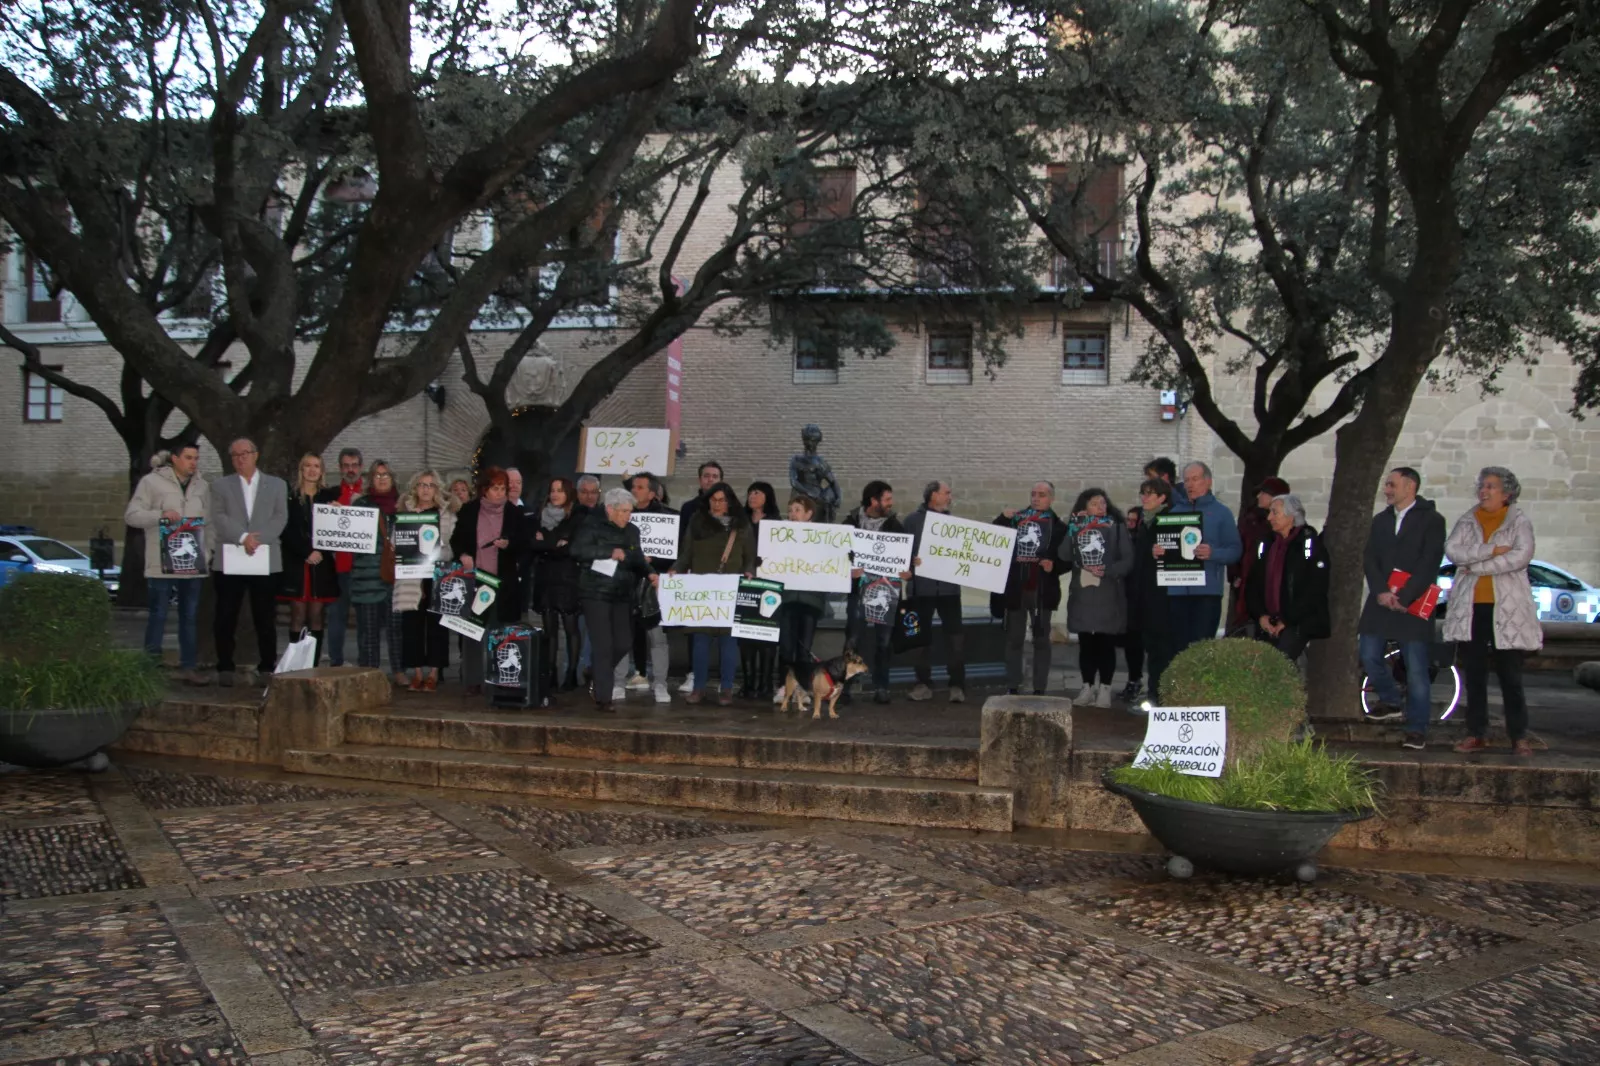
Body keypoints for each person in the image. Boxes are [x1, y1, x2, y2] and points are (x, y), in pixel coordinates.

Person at [1444, 467, 1541, 757]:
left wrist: (1477, 565)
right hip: (1472, 608)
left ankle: (1519, 736)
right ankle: (1476, 733)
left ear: (1507, 493)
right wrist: (1492, 550)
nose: (1483, 491)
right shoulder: (1468, 519)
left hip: (1507, 610)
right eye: (1481, 486)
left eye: (1490, 486)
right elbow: (1453, 551)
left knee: (1510, 675)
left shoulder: (1518, 520)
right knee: (1473, 674)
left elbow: (1521, 556)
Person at [1359, 466, 1448, 750]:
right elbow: (1369, 557)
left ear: (1410, 487)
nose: (1386, 490)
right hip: (1381, 601)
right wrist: (1381, 591)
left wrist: (1405, 597)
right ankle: (1390, 699)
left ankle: (1417, 728)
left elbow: (1429, 562)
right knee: (1369, 653)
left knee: (1416, 668)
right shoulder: (1380, 521)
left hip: (1415, 603)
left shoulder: (1432, 520)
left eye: (1391, 485)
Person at [124, 444, 210, 685]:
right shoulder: (151, 482)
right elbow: (132, 515)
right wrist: (160, 515)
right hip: (161, 562)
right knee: (158, 615)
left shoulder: (202, 486)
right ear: (174, 459)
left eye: (196, 458)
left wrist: (208, 552)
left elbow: (209, 522)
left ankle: (189, 667)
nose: (193, 462)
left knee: (190, 616)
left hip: (193, 562)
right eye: (188, 457)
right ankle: (150, 666)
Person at [208, 438, 287, 687]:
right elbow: (218, 516)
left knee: (265, 616)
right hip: (230, 556)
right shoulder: (220, 485)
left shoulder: (276, 485)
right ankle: (225, 666)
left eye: (245, 453)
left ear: (256, 455)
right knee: (225, 615)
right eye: (235, 455)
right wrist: (242, 537)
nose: (240, 458)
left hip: (264, 558)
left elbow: (280, 517)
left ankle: (267, 666)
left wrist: (257, 539)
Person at [570, 487, 654, 712]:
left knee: (624, 642)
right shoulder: (591, 525)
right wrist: (609, 551)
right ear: (610, 510)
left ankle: (597, 671)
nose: (628, 515)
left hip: (623, 593)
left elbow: (636, 557)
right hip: (595, 592)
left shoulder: (632, 530)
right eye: (624, 511)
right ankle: (603, 697)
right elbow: (577, 550)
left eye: (630, 511)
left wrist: (650, 571)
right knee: (604, 644)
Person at [451, 467, 532, 697]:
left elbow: (525, 545)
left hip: (503, 582)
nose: (500, 493)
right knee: (473, 632)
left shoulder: (514, 513)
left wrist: (509, 545)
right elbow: (457, 540)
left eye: (503, 489)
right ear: (484, 489)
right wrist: (464, 555)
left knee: (501, 631)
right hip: (476, 580)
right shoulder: (469, 510)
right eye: (495, 489)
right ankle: (474, 680)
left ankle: (500, 677)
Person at [679, 481, 755, 705]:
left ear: (729, 501)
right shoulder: (697, 521)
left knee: (728, 641)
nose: (717, 503)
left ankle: (727, 688)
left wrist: (750, 572)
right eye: (714, 499)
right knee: (700, 639)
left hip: (730, 588)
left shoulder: (741, 525)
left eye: (722, 499)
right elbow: (687, 552)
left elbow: (750, 556)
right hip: (702, 588)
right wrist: (676, 569)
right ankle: (699, 688)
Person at [1158, 462, 1242, 657]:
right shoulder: (1173, 513)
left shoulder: (1222, 513)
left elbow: (1235, 550)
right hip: (1177, 591)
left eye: (1195, 479)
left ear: (1208, 481)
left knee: (1201, 651)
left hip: (1207, 592)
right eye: (1186, 480)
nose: (1190, 484)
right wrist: (1159, 551)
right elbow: (1166, 550)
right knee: (1178, 650)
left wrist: (1213, 553)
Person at [1061, 488, 1133, 707]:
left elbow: (1128, 560)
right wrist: (1073, 528)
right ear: (1084, 507)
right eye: (1094, 503)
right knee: (1086, 645)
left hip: (1107, 594)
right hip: (1083, 594)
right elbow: (1063, 555)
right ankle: (1087, 687)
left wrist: (1108, 570)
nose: (1100, 507)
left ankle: (1105, 689)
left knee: (1105, 644)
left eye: (1103, 503)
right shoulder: (1077, 528)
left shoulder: (1117, 528)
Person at [992, 481, 1066, 696]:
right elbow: (992, 540)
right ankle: (1013, 686)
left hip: (1042, 592)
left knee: (1041, 640)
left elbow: (1067, 559)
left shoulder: (1058, 526)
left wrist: (1055, 566)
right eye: (1033, 494)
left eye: (1041, 495)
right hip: (1016, 590)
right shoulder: (1016, 519)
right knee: (1014, 639)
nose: (1036, 498)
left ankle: (1039, 688)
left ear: (1051, 498)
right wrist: (1002, 518)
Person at [844, 480, 910, 704]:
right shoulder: (850, 523)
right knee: (853, 639)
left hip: (886, 591)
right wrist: (848, 570)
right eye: (887, 499)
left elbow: (906, 559)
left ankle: (881, 687)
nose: (891, 503)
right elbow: (837, 554)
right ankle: (847, 687)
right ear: (874, 501)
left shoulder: (895, 526)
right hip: (858, 591)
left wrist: (909, 570)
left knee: (884, 642)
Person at [901, 480, 967, 703]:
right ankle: (922, 684)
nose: (950, 496)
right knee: (919, 640)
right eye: (946, 492)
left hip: (949, 590)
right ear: (933, 496)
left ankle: (957, 685)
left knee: (956, 639)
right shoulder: (912, 521)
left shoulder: (955, 524)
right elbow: (901, 554)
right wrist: (910, 565)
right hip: (921, 589)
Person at [1243, 494, 1330, 662]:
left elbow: (1315, 588)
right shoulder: (1266, 544)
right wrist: (1261, 615)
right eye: (1269, 512)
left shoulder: (1308, 544)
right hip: (1268, 621)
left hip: (1298, 622)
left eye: (1275, 513)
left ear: (1292, 516)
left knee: (1278, 664)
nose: (1269, 518)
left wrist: (1287, 619)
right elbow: (1253, 583)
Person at [394, 471, 455, 691]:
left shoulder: (446, 514)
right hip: (412, 578)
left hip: (438, 575)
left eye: (430, 485)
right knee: (412, 625)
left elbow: (451, 545)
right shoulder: (404, 512)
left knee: (438, 624)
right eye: (421, 485)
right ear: (414, 488)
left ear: (437, 489)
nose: (426, 489)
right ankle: (417, 672)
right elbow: (396, 543)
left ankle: (434, 672)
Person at [278, 453, 341, 665]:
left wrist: (339, 514)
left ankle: (312, 664)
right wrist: (305, 552)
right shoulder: (289, 497)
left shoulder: (329, 497)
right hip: (297, 562)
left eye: (317, 466)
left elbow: (339, 531)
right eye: (308, 466)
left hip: (321, 565)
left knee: (316, 616)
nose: (312, 470)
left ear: (322, 470)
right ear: (301, 469)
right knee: (297, 615)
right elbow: (285, 530)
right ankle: (295, 663)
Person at [615, 472, 672, 704]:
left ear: (652, 493)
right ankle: (618, 682)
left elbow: (673, 554)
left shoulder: (669, 518)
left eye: (639, 487)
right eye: (633, 487)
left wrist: (654, 562)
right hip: (626, 581)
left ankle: (660, 683)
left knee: (657, 637)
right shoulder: (621, 517)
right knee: (621, 635)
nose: (634, 490)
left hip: (653, 585)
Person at [529, 477, 584, 695]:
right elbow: (534, 544)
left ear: (568, 493)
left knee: (571, 628)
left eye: (559, 490)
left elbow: (571, 548)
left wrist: (547, 543)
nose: (555, 494)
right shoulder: (539, 515)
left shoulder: (577, 516)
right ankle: (550, 673)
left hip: (567, 579)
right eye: (552, 490)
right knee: (549, 629)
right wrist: (555, 543)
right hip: (546, 579)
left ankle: (571, 673)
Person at [350, 460, 401, 676]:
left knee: (397, 629)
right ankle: (369, 674)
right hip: (366, 576)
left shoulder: (404, 505)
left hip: (398, 576)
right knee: (368, 630)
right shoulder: (360, 505)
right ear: (371, 479)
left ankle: (399, 671)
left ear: (392, 478)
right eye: (377, 475)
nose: (381, 478)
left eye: (385, 474)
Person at [777, 494, 828, 711]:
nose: (792, 514)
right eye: (790, 510)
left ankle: (802, 688)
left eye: (797, 510)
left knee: (804, 648)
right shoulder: (779, 536)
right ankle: (783, 686)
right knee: (787, 648)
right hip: (787, 599)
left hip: (810, 600)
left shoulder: (823, 538)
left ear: (809, 514)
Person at [1131, 478, 1175, 702]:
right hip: (1145, 596)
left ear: (1162, 498)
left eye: (1149, 494)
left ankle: (1161, 695)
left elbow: (1180, 555)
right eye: (1143, 493)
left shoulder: (1168, 521)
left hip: (1161, 597)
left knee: (1162, 650)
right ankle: (1153, 693)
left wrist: (1164, 552)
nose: (1144, 498)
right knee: (1152, 649)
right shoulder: (1144, 522)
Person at [739, 480, 781, 699]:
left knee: (767, 636)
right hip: (746, 583)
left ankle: (765, 683)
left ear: (767, 497)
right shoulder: (741, 521)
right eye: (750, 492)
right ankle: (748, 683)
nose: (752, 496)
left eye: (757, 492)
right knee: (744, 636)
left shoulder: (776, 523)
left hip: (769, 585)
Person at [1233, 476, 1290, 628]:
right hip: (1248, 585)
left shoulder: (1285, 527)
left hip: (1271, 588)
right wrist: (1235, 574)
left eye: (1263, 493)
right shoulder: (1251, 519)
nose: (1259, 496)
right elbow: (1240, 547)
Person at [325, 446, 364, 666]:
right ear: (340, 468)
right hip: (337, 565)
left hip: (362, 566)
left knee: (364, 618)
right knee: (336, 616)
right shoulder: (329, 494)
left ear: (361, 467)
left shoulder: (369, 494)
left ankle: (365, 660)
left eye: (354, 465)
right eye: (346, 466)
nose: (350, 470)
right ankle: (335, 660)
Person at [1118, 502, 1146, 703]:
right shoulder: (1123, 542)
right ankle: (1133, 679)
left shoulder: (1142, 543)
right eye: (1128, 520)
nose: (1130, 524)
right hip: (1126, 598)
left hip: (1142, 598)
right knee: (1131, 644)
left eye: (1134, 521)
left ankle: (1138, 681)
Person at [789, 425, 841, 522]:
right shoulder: (796, 460)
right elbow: (793, 481)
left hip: (817, 497)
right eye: (808, 440)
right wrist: (809, 493)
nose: (810, 443)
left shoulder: (820, 462)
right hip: (801, 495)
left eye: (813, 441)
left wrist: (838, 496)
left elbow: (833, 481)